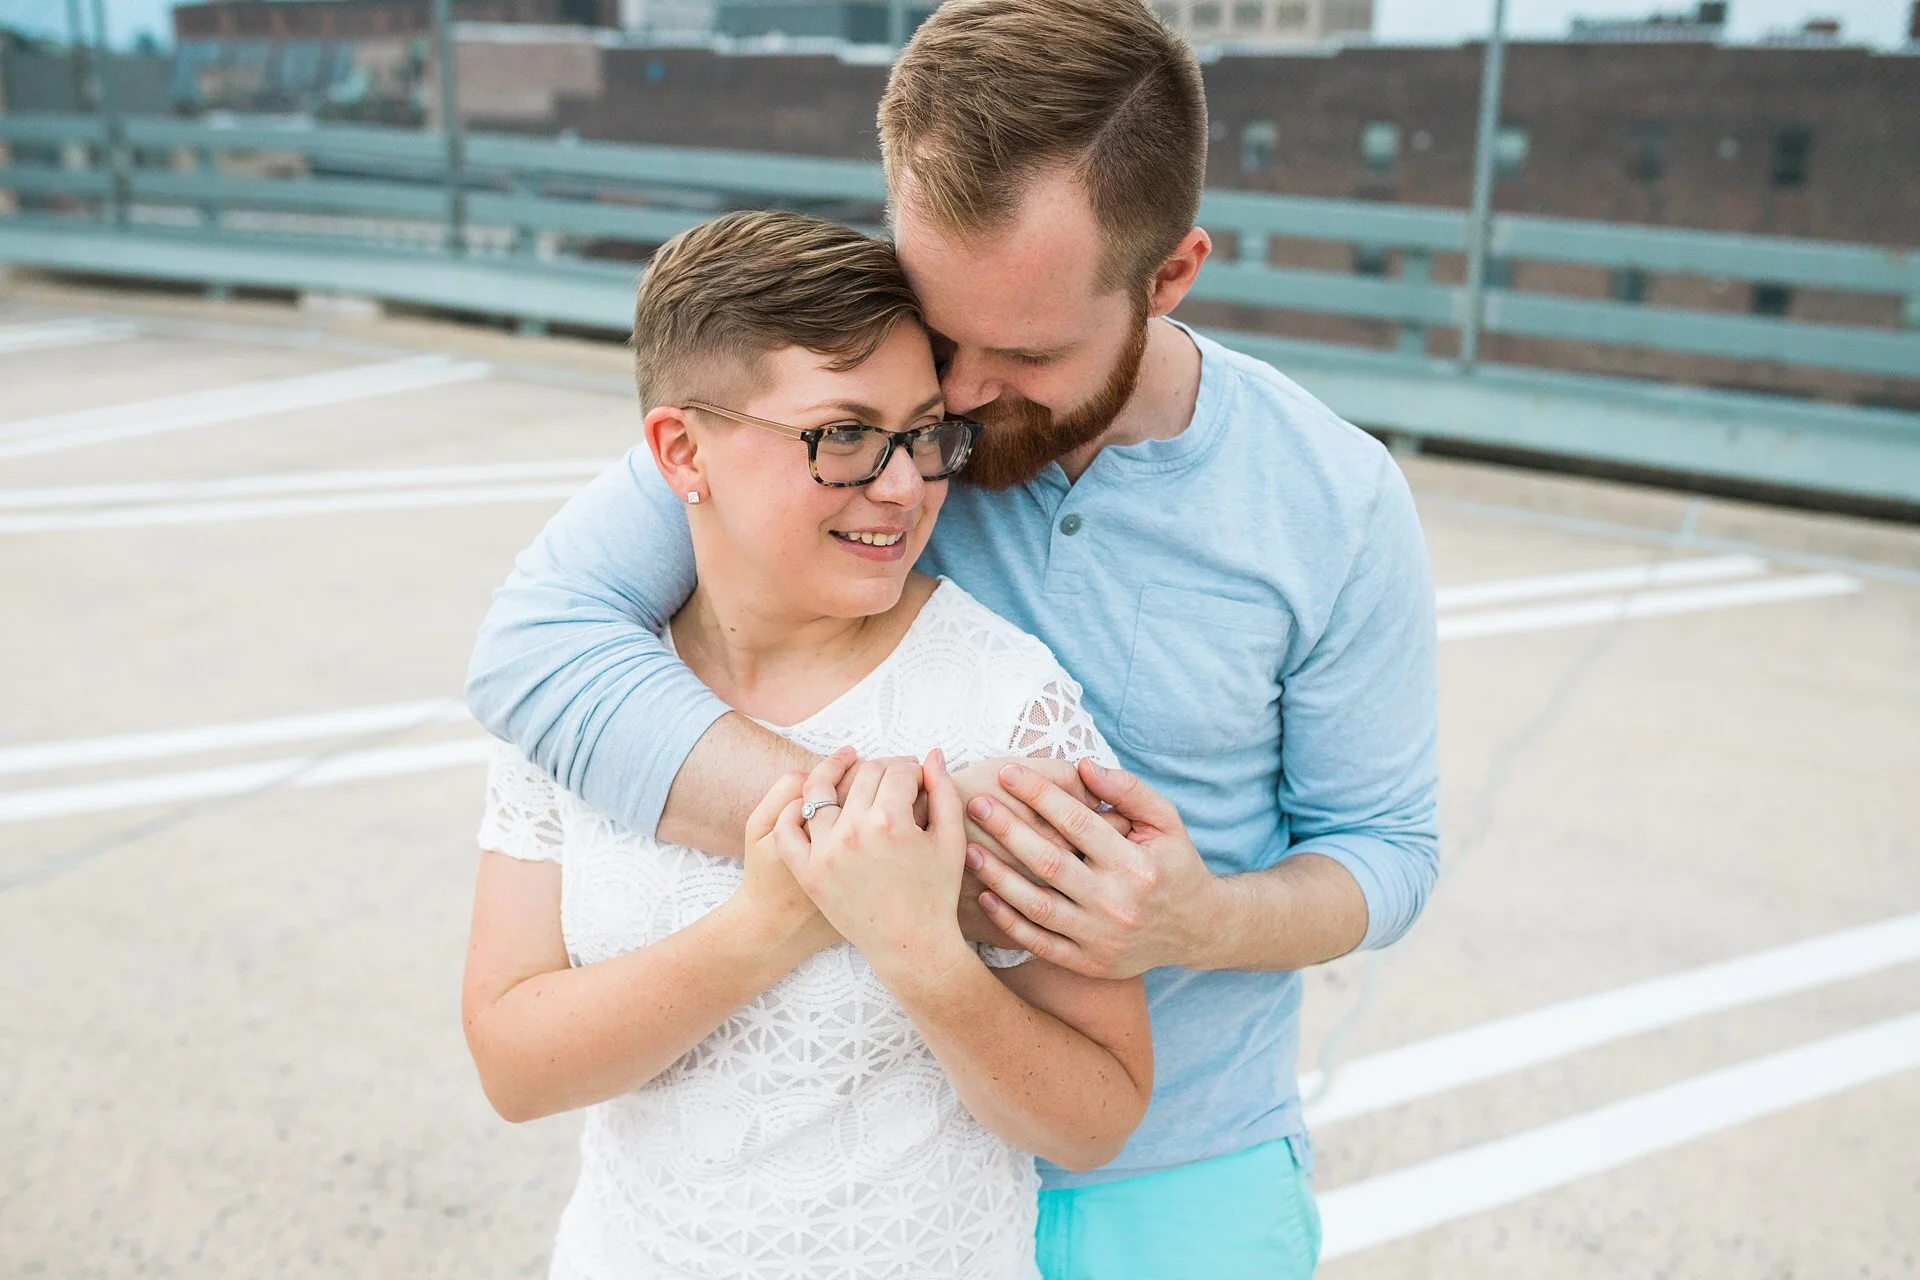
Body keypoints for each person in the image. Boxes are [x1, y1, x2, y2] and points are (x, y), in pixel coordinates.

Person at [467, 0, 1440, 1275]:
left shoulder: (1333, 499)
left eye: (1022, 349)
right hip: (869, 1175)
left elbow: (1387, 851)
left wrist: (1196, 920)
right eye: (944, 329)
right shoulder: (864, 422)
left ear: (1169, 276)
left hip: (1173, 1164)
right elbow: (533, 652)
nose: (962, 398)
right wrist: (878, 849)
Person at [461, 210, 1153, 1279]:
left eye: (926, 433)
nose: (902, 484)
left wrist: (924, 952)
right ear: (681, 449)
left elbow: (1098, 1113)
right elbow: (513, 1064)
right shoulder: (585, 705)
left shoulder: (1002, 700)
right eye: (842, 435)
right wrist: (768, 924)